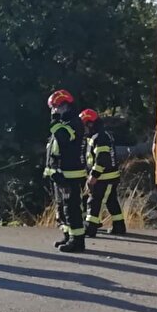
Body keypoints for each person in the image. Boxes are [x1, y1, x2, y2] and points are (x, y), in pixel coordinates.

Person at [44, 89, 87, 253]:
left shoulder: (74, 123)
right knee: (62, 209)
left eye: (57, 107)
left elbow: (64, 138)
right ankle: (68, 236)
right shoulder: (62, 124)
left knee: (72, 209)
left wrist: (54, 122)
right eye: (53, 108)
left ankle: (77, 241)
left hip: (70, 175)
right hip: (59, 174)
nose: (55, 111)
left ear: (67, 106)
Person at [79, 108, 126, 237]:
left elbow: (102, 159)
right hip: (108, 177)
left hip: (104, 178)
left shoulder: (100, 137)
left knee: (94, 201)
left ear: (90, 124)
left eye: (84, 126)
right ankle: (119, 226)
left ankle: (90, 228)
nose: (83, 129)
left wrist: (94, 176)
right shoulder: (99, 136)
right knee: (111, 201)